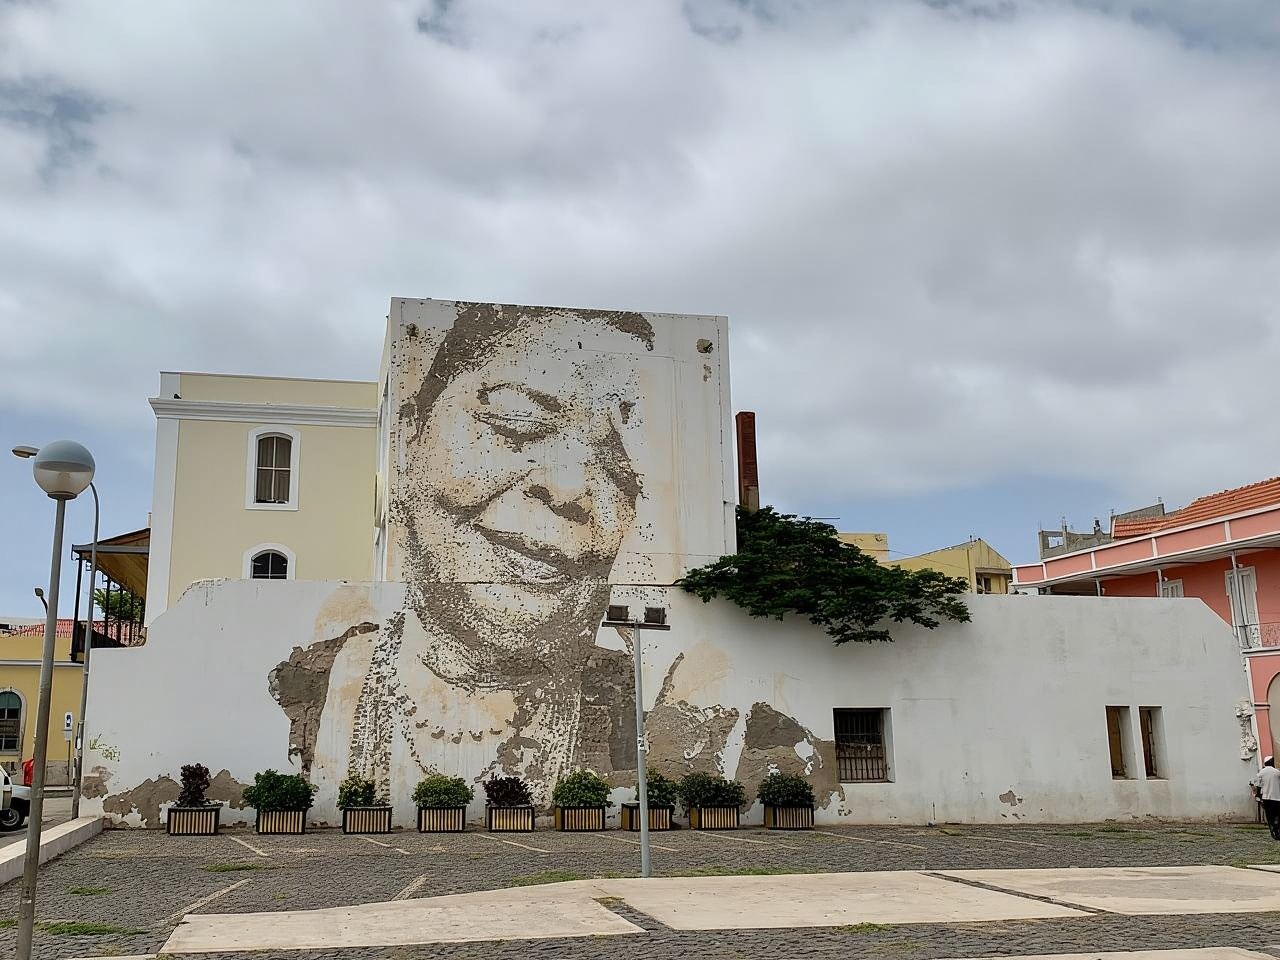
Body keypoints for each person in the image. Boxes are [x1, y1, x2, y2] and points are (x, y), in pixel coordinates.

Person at [1254, 756, 1280, 839]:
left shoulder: (1261, 773)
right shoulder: (1277, 772)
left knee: (1269, 815)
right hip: (1276, 797)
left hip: (1266, 797)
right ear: (1271, 762)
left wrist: (1258, 796)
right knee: (1276, 814)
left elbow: (1258, 786)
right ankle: (1277, 829)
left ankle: (1272, 830)